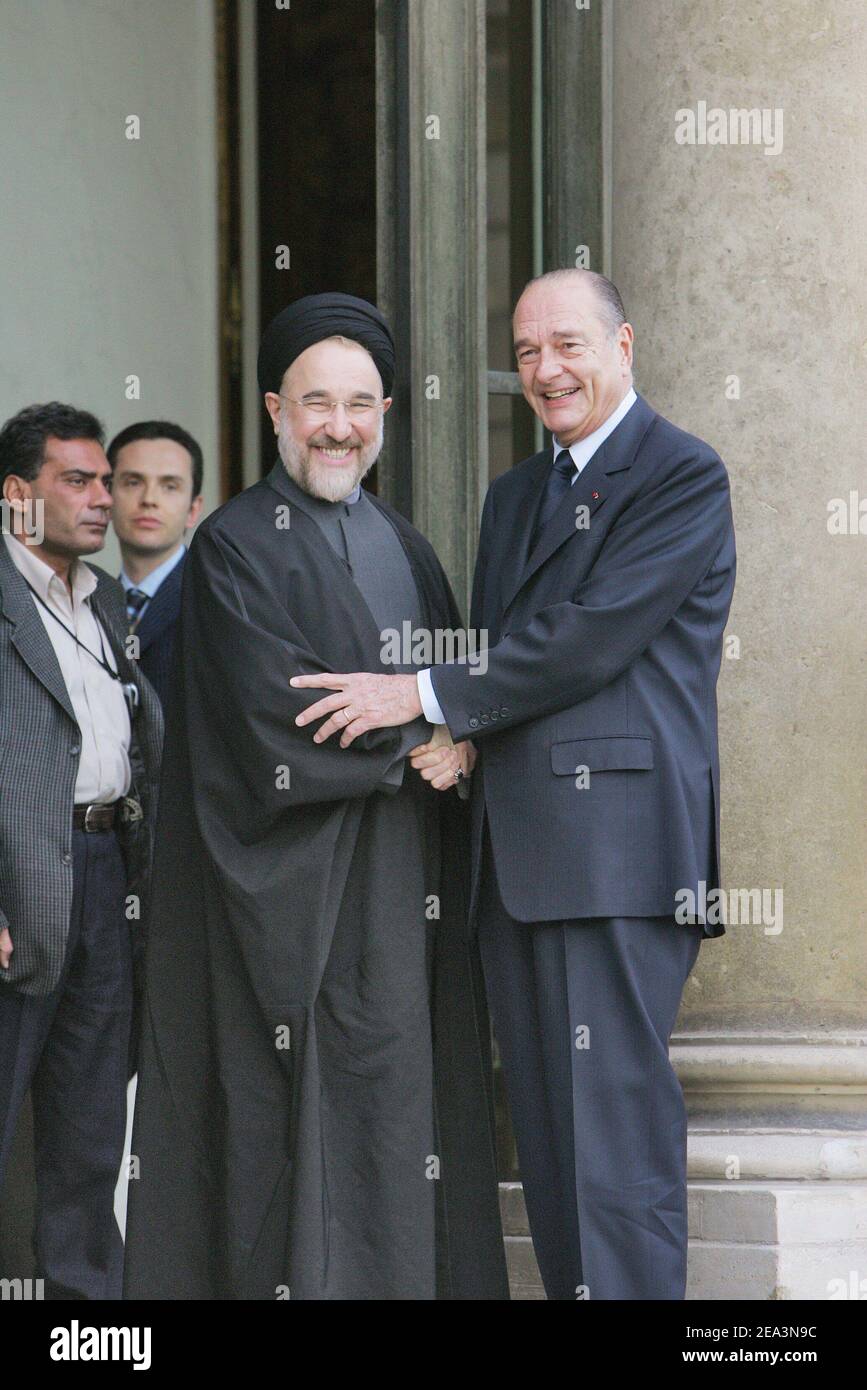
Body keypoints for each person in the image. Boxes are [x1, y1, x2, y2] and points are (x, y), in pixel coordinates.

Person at [290, 269, 737, 1301]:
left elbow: (583, 643)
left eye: (569, 344)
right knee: (549, 1146)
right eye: (528, 351)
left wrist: (425, 695)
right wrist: (467, 740)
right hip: (517, 858)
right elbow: (519, 658)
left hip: (614, 859)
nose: (546, 369)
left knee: (612, 1150)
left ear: (623, 346)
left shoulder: (680, 474)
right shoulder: (513, 493)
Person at [123, 293, 509, 1301]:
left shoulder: (409, 548)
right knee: (296, 1119)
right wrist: (414, 738)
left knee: (399, 1106)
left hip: (403, 884)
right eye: (316, 403)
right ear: (274, 412)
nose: (340, 426)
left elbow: (457, 683)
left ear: (385, 413)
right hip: (295, 895)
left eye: (361, 405)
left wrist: (457, 739)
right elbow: (275, 710)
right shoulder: (234, 547)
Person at [0, 402, 162, 1299]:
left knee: (89, 1128)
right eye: (79, 481)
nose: (104, 498)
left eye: (105, 481)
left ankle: (83, 1321)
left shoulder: (101, 600)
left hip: (103, 878)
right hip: (16, 882)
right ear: (18, 497)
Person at [108, 421, 204, 709]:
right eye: (133, 482)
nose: (149, 500)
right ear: (107, 497)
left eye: (169, 486)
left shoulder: (213, 597)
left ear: (193, 510)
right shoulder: (86, 599)